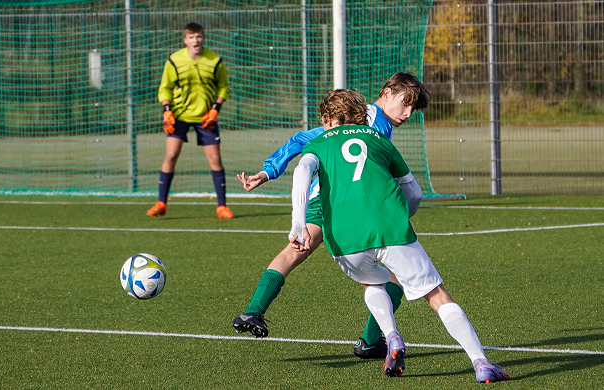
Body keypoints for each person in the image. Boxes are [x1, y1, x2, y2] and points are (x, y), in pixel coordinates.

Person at [288, 88, 510, 383]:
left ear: (329, 119)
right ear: (361, 116)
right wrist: (402, 216)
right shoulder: (380, 139)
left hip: (343, 237)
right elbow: (415, 193)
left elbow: (302, 172)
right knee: (437, 295)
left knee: (373, 282)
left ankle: (392, 336)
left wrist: (297, 223)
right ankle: (481, 363)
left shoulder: (317, 144)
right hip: (391, 228)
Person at [232, 72, 428, 359]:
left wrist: (267, 172)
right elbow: (307, 139)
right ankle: (372, 341)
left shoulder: (379, 122)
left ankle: (253, 311)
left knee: (296, 251)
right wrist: (269, 170)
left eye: (414, 109)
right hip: (345, 204)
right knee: (391, 276)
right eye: (405, 104)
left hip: (323, 200)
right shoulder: (367, 119)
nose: (408, 113)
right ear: (386, 93)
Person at [147, 22, 234, 219]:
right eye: (192, 37)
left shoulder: (215, 60)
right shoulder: (174, 60)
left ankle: (222, 207)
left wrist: (215, 110)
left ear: (204, 38)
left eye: (199, 36)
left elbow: (223, 87)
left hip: (206, 118)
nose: (196, 40)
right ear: (185, 40)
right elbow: (164, 88)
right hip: (178, 117)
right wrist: (166, 111)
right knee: (170, 156)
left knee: (215, 159)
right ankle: (161, 203)